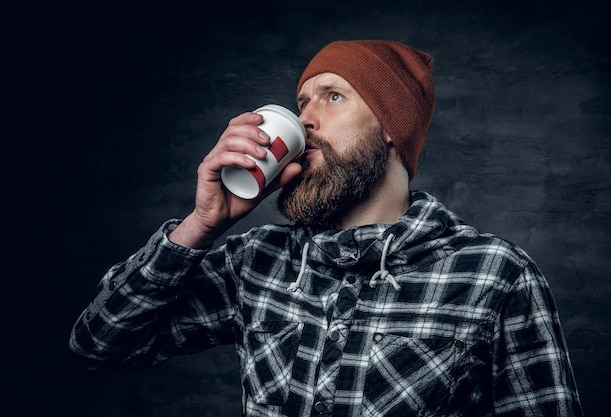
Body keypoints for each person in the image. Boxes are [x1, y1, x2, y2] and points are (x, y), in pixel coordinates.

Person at [69, 40, 584, 417]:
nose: (307, 119)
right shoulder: (257, 261)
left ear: (389, 125)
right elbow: (100, 344)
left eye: (333, 96)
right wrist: (201, 225)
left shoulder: (493, 274)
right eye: (302, 102)